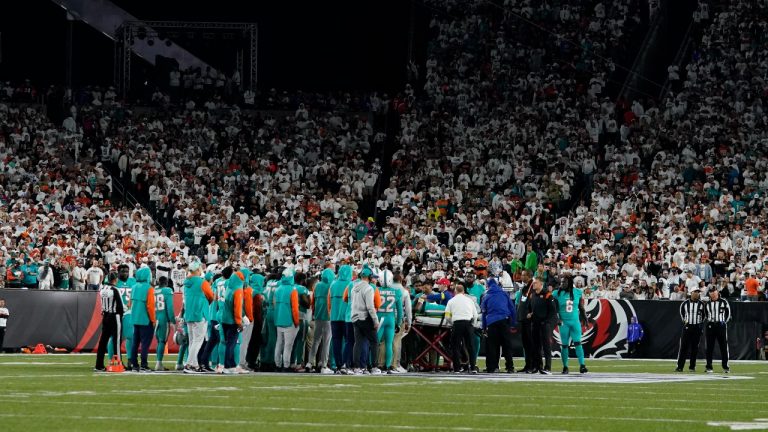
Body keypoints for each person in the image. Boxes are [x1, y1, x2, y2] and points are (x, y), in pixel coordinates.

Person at [183, 258, 214, 373]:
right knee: (198, 340)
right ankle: (189, 364)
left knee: (192, 341)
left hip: (189, 314)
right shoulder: (202, 282)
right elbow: (211, 296)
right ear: (197, 270)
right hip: (200, 313)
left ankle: (194, 364)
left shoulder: (186, 283)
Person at [552, 277, 588, 374]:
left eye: (564, 282)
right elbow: (554, 308)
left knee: (578, 343)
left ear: (569, 283)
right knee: (564, 345)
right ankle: (565, 367)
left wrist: (584, 316)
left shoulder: (577, 292)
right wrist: (557, 318)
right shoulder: (557, 293)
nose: (562, 283)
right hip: (564, 322)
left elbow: (580, 306)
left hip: (575, 321)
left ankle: (582, 365)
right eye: (561, 281)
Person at [480, 278, 516, 373]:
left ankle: (492, 367)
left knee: (492, 346)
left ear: (487, 286)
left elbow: (484, 313)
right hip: (504, 320)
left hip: (492, 322)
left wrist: (484, 328)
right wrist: (513, 323)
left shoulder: (486, 296)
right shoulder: (504, 294)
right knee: (506, 345)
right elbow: (512, 308)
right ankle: (510, 367)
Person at [350, 266, 380, 374]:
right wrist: (375, 320)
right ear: (369, 276)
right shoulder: (369, 288)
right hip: (365, 317)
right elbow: (370, 307)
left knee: (358, 343)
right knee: (374, 342)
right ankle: (374, 367)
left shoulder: (354, 287)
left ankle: (357, 367)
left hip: (355, 317)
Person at [445, 283, 478, 374]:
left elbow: (447, 316)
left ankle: (456, 368)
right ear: (463, 291)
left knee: (456, 346)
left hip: (457, 323)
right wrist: (473, 325)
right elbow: (475, 315)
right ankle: (473, 367)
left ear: (455, 291)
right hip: (468, 323)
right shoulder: (469, 300)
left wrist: (452, 323)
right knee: (471, 346)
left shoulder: (451, 301)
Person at [307, 267, 335, 374]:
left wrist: (314, 313)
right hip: (328, 317)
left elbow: (313, 301)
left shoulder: (317, 286)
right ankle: (323, 365)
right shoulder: (331, 286)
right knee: (326, 342)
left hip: (318, 316)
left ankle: (310, 362)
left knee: (316, 341)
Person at [376, 269, 403, 374]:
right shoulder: (397, 291)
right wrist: (398, 323)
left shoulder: (376, 290)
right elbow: (400, 311)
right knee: (389, 343)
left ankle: (372, 365)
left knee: (375, 343)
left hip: (379, 318)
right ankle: (387, 366)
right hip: (390, 319)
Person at [95, 272, 124, 371]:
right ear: (115, 279)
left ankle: (99, 364)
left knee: (103, 341)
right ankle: (119, 362)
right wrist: (121, 315)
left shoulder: (102, 289)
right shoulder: (115, 289)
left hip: (105, 315)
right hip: (115, 316)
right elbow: (120, 306)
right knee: (117, 340)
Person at [129, 267, 156, 372]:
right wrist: (153, 320)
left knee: (135, 343)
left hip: (135, 319)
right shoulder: (149, 288)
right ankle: (144, 364)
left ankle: (134, 365)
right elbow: (150, 306)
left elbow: (130, 303)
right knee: (145, 344)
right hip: (145, 319)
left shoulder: (134, 287)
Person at [528, 279, 557, 374]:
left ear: (541, 284)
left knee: (546, 346)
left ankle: (548, 367)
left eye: (535, 283)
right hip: (535, 324)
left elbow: (553, 311)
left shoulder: (548, 295)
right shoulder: (532, 295)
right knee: (536, 346)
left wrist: (547, 322)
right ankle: (537, 366)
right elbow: (530, 308)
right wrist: (529, 314)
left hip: (544, 324)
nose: (533, 284)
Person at [274, 268, 300, 372]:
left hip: (279, 320)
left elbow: (274, 304)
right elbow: (294, 308)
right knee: (288, 346)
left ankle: (277, 365)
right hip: (289, 321)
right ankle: (286, 365)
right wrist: (297, 322)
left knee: (279, 344)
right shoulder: (292, 290)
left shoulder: (278, 289)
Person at [676, 287, 707, 372]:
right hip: (687, 327)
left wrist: (699, 324)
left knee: (695, 348)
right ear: (691, 293)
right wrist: (685, 321)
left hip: (697, 327)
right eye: (695, 292)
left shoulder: (702, 304)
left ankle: (692, 367)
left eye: (698, 292)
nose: (697, 293)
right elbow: (682, 313)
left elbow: (704, 315)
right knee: (683, 347)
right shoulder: (685, 303)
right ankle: (680, 367)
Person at [330, 265, 353, 373]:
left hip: (334, 317)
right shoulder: (350, 285)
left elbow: (328, 302)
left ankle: (337, 364)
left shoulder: (333, 284)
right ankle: (345, 364)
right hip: (346, 317)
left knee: (336, 341)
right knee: (348, 341)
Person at [220, 272, 245, 374]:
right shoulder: (238, 290)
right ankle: (227, 366)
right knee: (231, 344)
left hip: (224, 319)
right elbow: (237, 308)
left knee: (228, 343)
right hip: (232, 321)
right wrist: (239, 322)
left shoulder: (228, 289)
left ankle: (231, 365)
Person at [704, 287, 731, 373]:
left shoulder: (724, 302)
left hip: (721, 325)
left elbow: (728, 313)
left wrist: (724, 322)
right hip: (711, 325)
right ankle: (709, 367)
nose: (714, 296)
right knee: (709, 347)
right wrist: (709, 322)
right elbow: (705, 314)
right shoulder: (707, 304)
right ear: (710, 295)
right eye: (712, 295)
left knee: (723, 346)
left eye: (715, 294)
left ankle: (725, 367)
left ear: (717, 293)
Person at [153, 276, 176, 371]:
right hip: (163, 318)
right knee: (162, 341)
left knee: (159, 341)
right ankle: (158, 363)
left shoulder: (154, 290)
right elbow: (169, 308)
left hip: (155, 317)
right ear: (166, 283)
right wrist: (172, 321)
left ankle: (158, 362)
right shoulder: (167, 290)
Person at [514, 271, 535, 373]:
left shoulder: (533, 287)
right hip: (523, 320)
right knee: (526, 344)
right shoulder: (525, 288)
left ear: (529, 276)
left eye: (523, 275)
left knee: (530, 343)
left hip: (529, 321)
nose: (521, 276)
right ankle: (527, 365)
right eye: (521, 274)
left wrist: (532, 313)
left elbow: (534, 303)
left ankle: (532, 365)